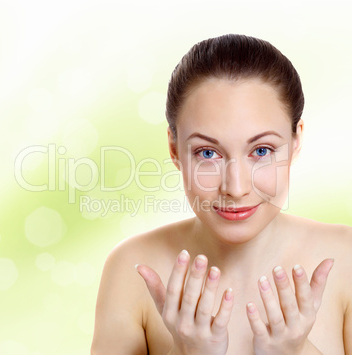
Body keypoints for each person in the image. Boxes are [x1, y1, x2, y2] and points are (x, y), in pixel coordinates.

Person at [91, 34, 352, 354]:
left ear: (295, 140)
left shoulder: (347, 258)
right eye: (207, 153)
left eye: (261, 150)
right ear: (174, 147)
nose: (236, 188)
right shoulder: (133, 268)